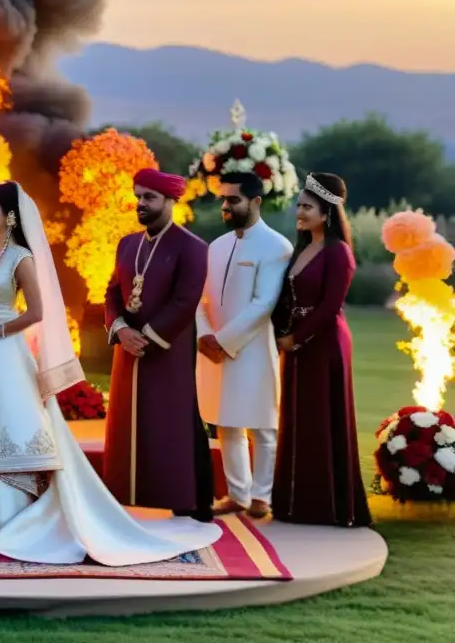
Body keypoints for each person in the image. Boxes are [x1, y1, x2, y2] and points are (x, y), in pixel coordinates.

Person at [0, 181, 221, 566]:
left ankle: (9, 514)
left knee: (12, 426)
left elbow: (36, 312)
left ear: (8, 216)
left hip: (4, 352)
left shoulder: (21, 258)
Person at [102, 168, 214, 521]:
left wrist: (145, 337)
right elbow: (111, 293)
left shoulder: (192, 247)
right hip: (127, 351)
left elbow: (185, 301)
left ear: (170, 201)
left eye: (149, 198)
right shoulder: (127, 244)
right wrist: (120, 329)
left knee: (169, 425)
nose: (141, 204)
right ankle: (124, 495)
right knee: (126, 426)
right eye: (138, 196)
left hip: (166, 353)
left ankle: (185, 501)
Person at [271, 173, 371, 527]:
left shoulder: (338, 252)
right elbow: (287, 297)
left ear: (326, 212)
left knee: (320, 420)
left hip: (325, 344)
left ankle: (325, 507)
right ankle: (294, 503)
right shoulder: (302, 248)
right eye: (298, 205)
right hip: (296, 344)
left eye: (307, 207)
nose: (299, 212)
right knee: (296, 419)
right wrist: (283, 331)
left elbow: (330, 307)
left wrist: (296, 337)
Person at [196, 172, 293, 519]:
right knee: (226, 423)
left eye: (233, 199)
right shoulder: (216, 246)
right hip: (212, 349)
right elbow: (201, 300)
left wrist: (222, 341)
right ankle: (237, 494)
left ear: (255, 202)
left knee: (263, 424)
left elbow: (263, 303)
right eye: (223, 199)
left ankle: (261, 496)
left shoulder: (277, 246)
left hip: (252, 348)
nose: (225, 206)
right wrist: (203, 337)